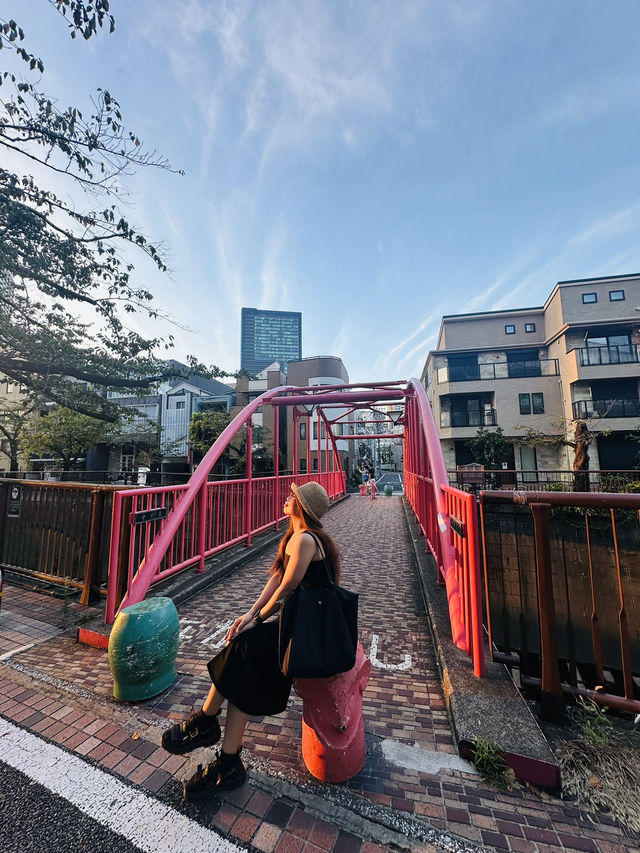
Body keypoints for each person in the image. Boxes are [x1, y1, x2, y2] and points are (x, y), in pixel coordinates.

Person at [161, 481, 341, 802]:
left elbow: (287, 588)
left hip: (312, 636)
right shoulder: (293, 538)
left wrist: (257, 620)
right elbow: (276, 579)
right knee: (243, 654)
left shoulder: (306, 540)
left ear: (301, 507)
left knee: (246, 649)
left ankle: (206, 723)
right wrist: (249, 615)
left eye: (292, 497)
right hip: (297, 626)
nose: (287, 498)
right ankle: (226, 758)